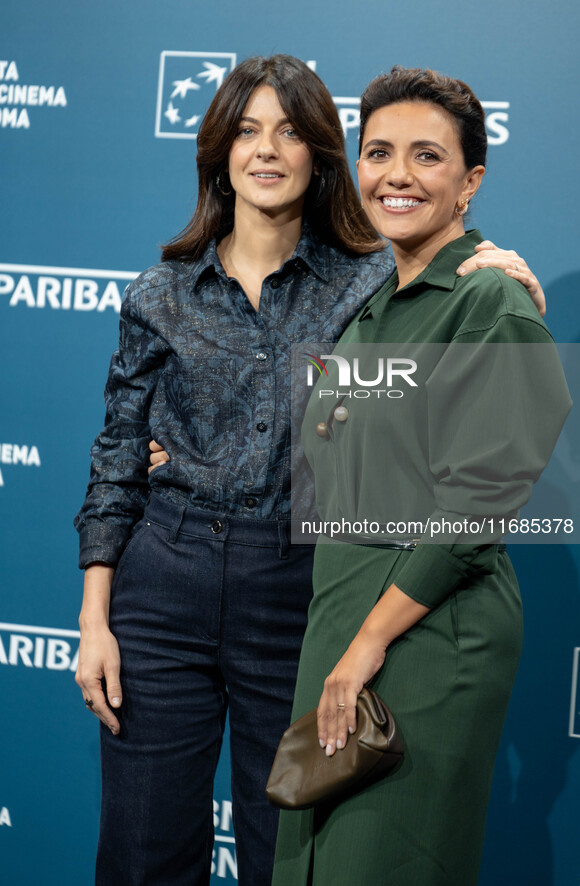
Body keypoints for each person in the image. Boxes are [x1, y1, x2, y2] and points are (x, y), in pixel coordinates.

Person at [74, 54, 546, 886]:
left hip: (299, 583)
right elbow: (117, 456)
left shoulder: (369, 281)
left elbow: (446, 314)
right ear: (218, 151)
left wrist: (503, 274)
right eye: (246, 131)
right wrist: (94, 619)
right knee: (143, 851)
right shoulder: (161, 292)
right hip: (165, 579)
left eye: (290, 131)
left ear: (320, 154)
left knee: (285, 850)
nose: (265, 150)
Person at [271, 67, 571, 886]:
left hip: (425, 635)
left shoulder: (491, 304)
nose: (396, 175)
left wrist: (367, 644)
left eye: (427, 156)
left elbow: (478, 502)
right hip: (343, 626)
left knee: (381, 862)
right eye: (378, 153)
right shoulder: (373, 307)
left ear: (470, 181)